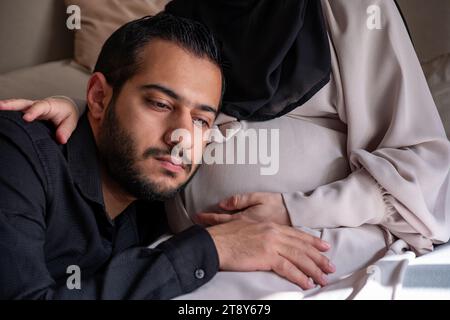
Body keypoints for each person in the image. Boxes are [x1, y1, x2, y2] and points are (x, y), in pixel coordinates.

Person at [2, 0, 450, 297]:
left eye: (203, 119)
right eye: (161, 105)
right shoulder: (186, 20)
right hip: (194, 256)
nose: (183, 138)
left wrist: (296, 210)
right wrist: (80, 109)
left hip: (317, 251)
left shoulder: (352, 11)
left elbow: (428, 171)